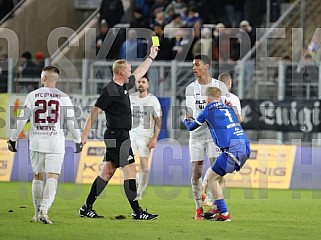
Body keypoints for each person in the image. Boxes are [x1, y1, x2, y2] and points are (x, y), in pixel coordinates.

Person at [79, 45, 159, 220]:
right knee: (130, 170)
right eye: (129, 69)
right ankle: (137, 212)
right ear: (122, 72)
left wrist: (151, 56)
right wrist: (84, 136)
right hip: (117, 136)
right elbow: (94, 112)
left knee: (107, 172)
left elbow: (140, 71)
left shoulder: (122, 87)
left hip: (118, 135)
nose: (132, 73)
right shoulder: (110, 90)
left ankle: (86, 207)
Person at [7, 66, 83, 224]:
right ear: (56, 79)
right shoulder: (63, 97)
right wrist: (78, 140)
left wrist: (13, 139)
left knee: (38, 176)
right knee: (52, 176)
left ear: (44, 78)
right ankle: (44, 210)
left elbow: (22, 119)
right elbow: (71, 122)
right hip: (55, 141)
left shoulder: (32, 95)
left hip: (36, 141)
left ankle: (36, 213)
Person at [184, 87, 251, 221]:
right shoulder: (228, 108)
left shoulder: (207, 110)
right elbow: (237, 120)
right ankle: (215, 206)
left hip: (232, 150)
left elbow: (192, 127)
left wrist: (186, 120)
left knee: (212, 178)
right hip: (246, 147)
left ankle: (224, 213)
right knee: (212, 174)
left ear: (207, 98)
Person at [185, 54, 229, 220]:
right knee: (196, 172)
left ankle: (213, 204)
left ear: (206, 66)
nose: (194, 68)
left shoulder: (220, 86)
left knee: (218, 171)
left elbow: (225, 109)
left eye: (196, 64)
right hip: (196, 135)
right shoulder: (191, 88)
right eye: (193, 65)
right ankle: (198, 208)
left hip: (214, 135)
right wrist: (187, 120)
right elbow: (190, 114)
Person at [201, 72, 242, 206]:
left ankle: (207, 189)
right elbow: (239, 120)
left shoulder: (211, 97)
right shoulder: (233, 99)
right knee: (220, 174)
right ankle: (213, 201)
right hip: (229, 140)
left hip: (213, 137)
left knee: (215, 168)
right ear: (230, 83)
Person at [129, 75, 162, 200]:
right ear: (136, 84)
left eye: (143, 82)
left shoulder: (153, 100)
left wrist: (154, 138)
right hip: (131, 134)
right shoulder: (130, 98)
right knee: (124, 161)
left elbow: (158, 121)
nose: (141, 84)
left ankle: (140, 191)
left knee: (144, 165)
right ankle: (136, 179)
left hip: (145, 136)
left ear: (147, 84)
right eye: (139, 82)